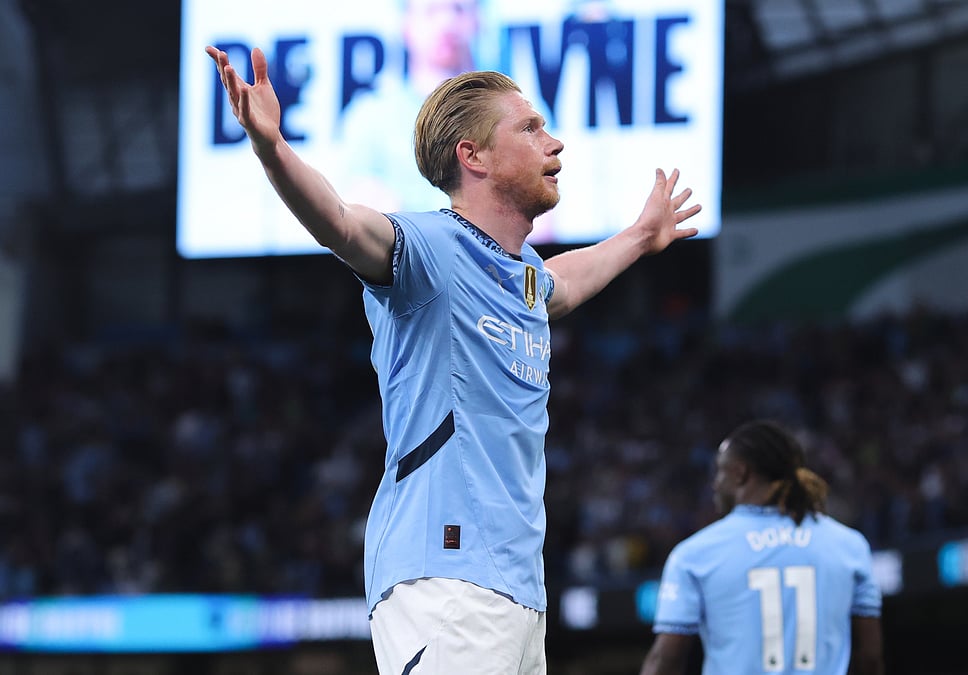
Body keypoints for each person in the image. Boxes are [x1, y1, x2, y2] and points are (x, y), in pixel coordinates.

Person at [206, 39, 700, 674]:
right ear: (475, 157)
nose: (556, 144)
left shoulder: (522, 276)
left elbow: (564, 283)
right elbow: (342, 223)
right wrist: (272, 148)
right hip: (443, 576)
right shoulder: (430, 248)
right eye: (531, 128)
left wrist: (638, 235)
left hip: (519, 592)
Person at [641, 420, 884, 675]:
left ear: (740, 473)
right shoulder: (849, 545)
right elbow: (870, 657)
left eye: (720, 472)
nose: (716, 484)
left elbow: (666, 659)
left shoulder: (695, 555)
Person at [339, 0, 486, 213]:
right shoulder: (371, 116)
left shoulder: (516, 108)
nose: (446, 22)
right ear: (406, 25)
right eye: (431, 11)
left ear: (478, 20)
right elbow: (359, 208)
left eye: (458, 9)